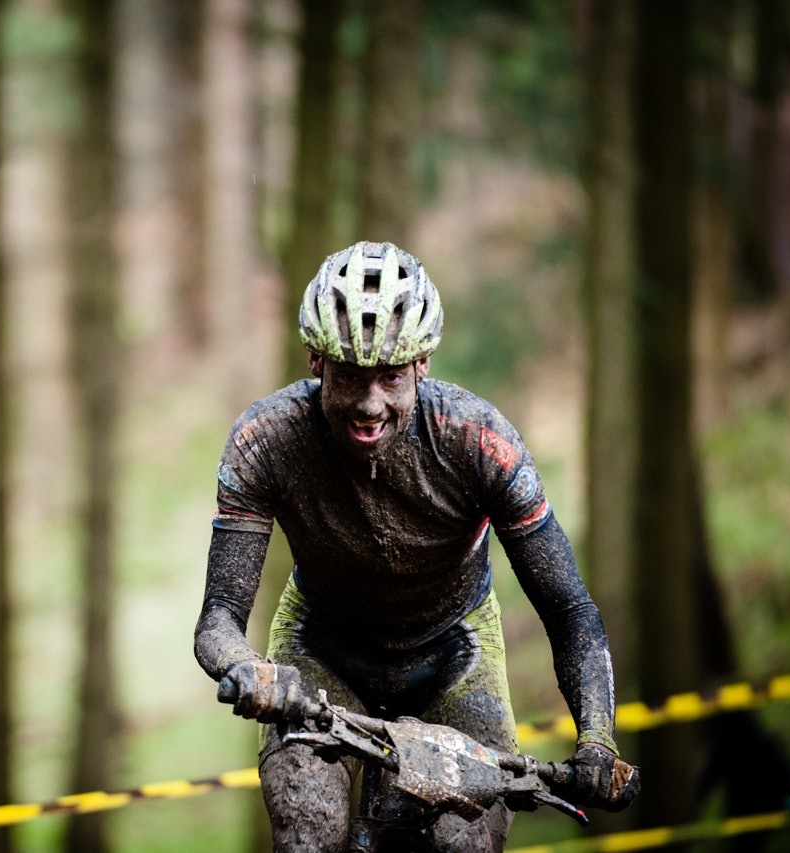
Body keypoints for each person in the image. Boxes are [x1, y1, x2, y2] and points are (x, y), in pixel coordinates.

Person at [193, 241, 638, 851]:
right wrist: (250, 669)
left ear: (422, 363)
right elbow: (217, 620)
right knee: (307, 833)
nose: (370, 404)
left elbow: (569, 608)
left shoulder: (480, 443)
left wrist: (595, 739)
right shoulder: (265, 442)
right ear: (316, 360)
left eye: (391, 378)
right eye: (349, 376)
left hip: (454, 654)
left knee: (467, 845)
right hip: (321, 652)